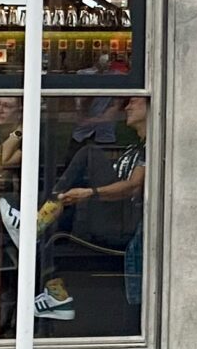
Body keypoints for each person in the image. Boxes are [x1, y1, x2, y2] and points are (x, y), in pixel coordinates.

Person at [59, 96, 149, 329]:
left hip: (124, 217)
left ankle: (43, 215)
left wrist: (90, 193)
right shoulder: (137, 146)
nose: (127, 107)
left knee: (89, 152)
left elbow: (133, 186)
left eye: (134, 101)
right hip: (114, 212)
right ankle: (47, 217)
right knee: (87, 156)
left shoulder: (152, 146)